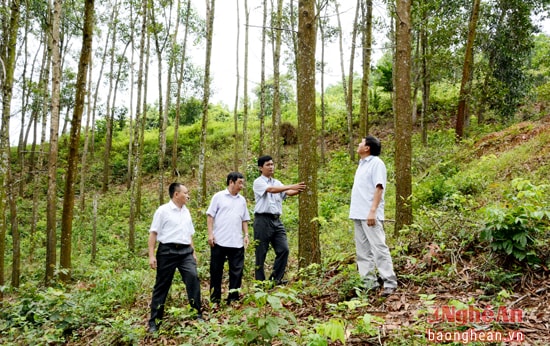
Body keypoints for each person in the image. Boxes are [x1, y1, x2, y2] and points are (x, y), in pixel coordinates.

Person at [147, 182, 202, 333]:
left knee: (193, 278)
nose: (188, 195)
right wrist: (151, 255)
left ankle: (197, 313)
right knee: (162, 285)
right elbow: (153, 233)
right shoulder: (162, 211)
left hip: (185, 252)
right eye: (186, 192)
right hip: (167, 252)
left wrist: (193, 252)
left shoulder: (186, 211)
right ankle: (154, 322)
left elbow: (189, 234)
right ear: (176, 194)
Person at [349, 136, 398, 297]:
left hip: (369, 213)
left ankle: (390, 282)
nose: (358, 144)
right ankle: (369, 283)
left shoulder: (377, 163)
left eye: (361, 142)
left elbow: (379, 188)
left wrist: (373, 211)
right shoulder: (361, 165)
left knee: (378, 247)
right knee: (362, 251)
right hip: (358, 213)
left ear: (368, 147)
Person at [253, 155, 306, 285]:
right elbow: (271, 190)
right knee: (261, 252)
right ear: (261, 168)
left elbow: (288, 193)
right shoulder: (259, 182)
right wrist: (291, 185)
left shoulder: (277, 182)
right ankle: (260, 283)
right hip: (262, 220)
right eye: (267, 165)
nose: (271, 167)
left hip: (277, 220)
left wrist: (301, 189)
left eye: (272, 164)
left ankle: (275, 280)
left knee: (284, 249)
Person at [206, 172, 251, 304]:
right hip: (219, 240)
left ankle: (233, 299)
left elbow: (244, 219)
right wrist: (210, 234)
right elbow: (210, 216)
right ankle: (215, 299)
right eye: (239, 183)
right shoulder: (218, 197)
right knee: (216, 271)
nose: (242, 186)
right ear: (231, 182)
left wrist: (246, 234)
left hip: (236, 242)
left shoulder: (241, 200)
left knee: (237, 272)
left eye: (242, 183)